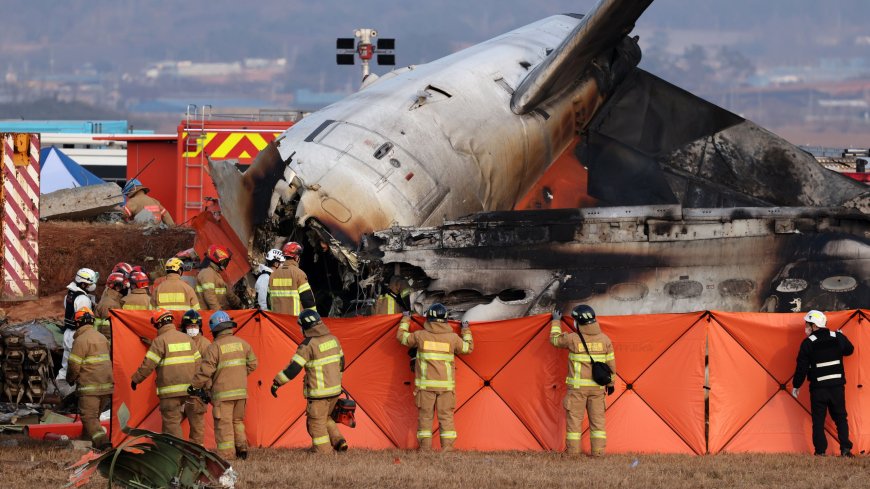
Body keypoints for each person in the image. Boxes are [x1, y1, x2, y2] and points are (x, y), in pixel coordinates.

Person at [396, 304, 473, 451]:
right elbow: (468, 348)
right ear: (445, 320)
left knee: (425, 419)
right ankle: (448, 450)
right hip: (446, 388)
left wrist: (406, 319)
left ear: (429, 319)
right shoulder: (453, 338)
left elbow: (401, 337)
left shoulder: (420, 336)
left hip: (426, 388)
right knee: (446, 418)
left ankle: (425, 450)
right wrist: (465, 329)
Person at [271, 310, 347, 453]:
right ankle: (339, 441)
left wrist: (277, 382)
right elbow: (342, 362)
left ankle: (323, 452)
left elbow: (293, 368)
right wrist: (338, 381)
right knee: (326, 417)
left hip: (319, 394)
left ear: (305, 326)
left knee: (316, 423)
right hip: (335, 390)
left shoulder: (307, 345)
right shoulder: (333, 339)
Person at [189, 311, 257, 460]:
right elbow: (253, 364)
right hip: (241, 393)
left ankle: (227, 455)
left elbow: (205, 371)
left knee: (223, 424)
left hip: (223, 395)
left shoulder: (214, 348)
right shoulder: (243, 344)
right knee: (237, 421)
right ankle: (242, 450)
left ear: (215, 330)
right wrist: (239, 375)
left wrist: (193, 386)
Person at [549, 305, 616, 457]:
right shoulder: (605, 340)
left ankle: (573, 453)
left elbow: (554, 340)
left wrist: (556, 322)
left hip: (577, 390)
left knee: (574, 422)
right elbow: (611, 365)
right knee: (598, 423)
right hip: (598, 390)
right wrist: (610, 384)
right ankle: (598, 453)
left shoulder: (572, 339)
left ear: (578, 322)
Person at [791, 310, 855, 457]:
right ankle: (846, 450)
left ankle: (820, 452)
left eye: (807, 324)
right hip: (837, 387)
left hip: (818, 389)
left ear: (814, 326)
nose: (805, 327)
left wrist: (796, 385)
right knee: (840, 417)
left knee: (818, 421)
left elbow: (801, 367)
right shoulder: (837, 337)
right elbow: (850, 350)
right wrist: (842, 337)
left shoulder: (808, 343)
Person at [130, 309, 201, 440]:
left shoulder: (159, 341)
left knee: (171, 425)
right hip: (190, 390)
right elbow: (199, 364)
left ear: (158, 324)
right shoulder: (188, 339)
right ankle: (194, 453)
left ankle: (176, 454)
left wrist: (135, 379)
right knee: (195, 423)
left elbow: (148, 365)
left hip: (170, 392)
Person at [66, 307, 113, 450]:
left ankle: (103, 443)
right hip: (106, 386)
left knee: (88, 417)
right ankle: (86, 442)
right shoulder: (102, 338)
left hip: (90, 387)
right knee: (94, 417)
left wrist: (70, 379)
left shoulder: (81, 340)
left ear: (78, 323)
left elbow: (74, 365)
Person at [58, 268, 98, 398]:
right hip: (77, 334)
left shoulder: (70, 294)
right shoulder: (82, 298)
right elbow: (84, 319)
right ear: (83, 283)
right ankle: (72, 392)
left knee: (67, 361)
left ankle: (61, 387)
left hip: (68, 332)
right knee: (77, 363)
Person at [181, 309, 211, 444]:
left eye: (195, 326)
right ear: (184, 327)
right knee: (172, 426)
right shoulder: (178, 341)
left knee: (197, 429)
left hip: (196, 394)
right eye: (189, 326)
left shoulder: (205, 344)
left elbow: (210, 370)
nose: (192, 329)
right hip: (178, 392)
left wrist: (207, 391)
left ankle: (196, 454)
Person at [268, 242, 315, 315]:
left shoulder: (273, 275)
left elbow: (268, 302)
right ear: (296, 257)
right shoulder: (299, 274)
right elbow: (307, 300)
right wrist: (314, 317)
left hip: (277, 321)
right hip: (294, 321)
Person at [196, 245, 241, 310]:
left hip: (215, 314)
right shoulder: (207, 273)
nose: (225, 264)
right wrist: (219, 313)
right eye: (224, 262)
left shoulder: (215, 274)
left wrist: (238, 303)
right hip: (209, 315)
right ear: (217, 259)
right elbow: (210, 296)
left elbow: (227, 292)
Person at [94, 272, 129, 339]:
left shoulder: (114, 300)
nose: (126, 289)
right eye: (124, 286)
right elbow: (107, 331)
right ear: (117, 288)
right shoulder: (110, 304)